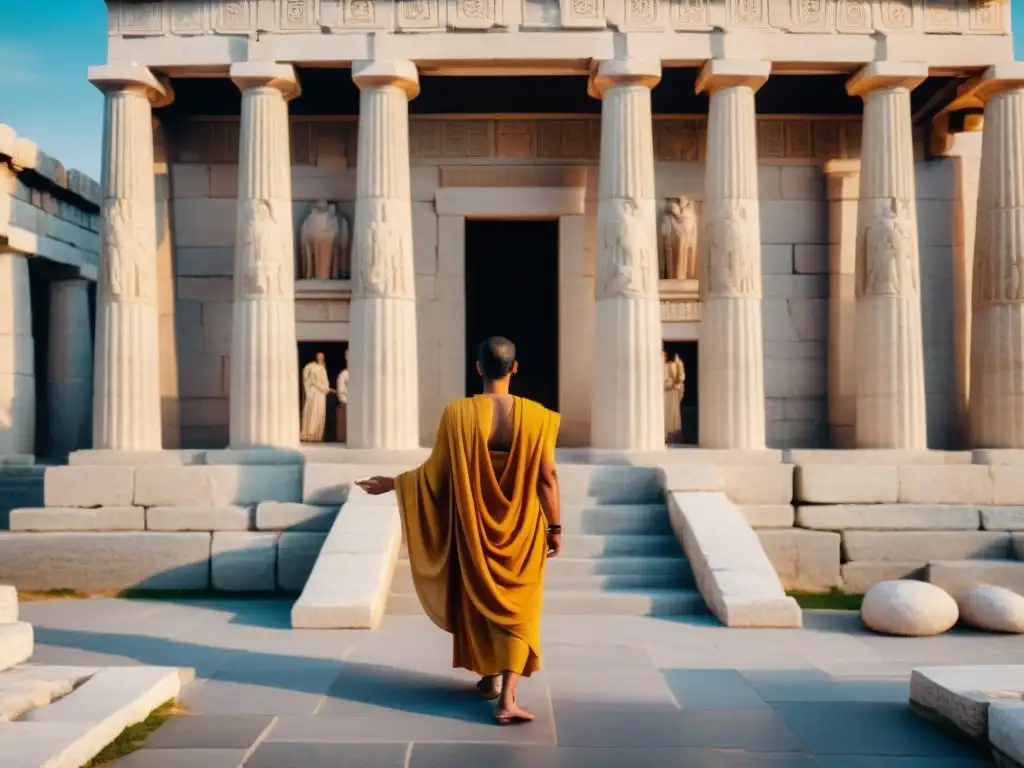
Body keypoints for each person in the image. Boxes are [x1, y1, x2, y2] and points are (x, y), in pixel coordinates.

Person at [357, 336, 562, 726]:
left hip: (475, 526)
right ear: (515, 369)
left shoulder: (458, 414)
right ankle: (508, 698)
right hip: (523, 528)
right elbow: (547, 477)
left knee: (481, 600)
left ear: (479, 368)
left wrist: (395, 483)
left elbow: (436, 474)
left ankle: (490, 677)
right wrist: (554, 527)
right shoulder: (539, 416)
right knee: (520, 609)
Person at [300, 352, 333, 442]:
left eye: (322, 356)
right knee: (313, 412)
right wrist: (315, 384)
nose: (320, 358)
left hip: (321, 394)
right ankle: (309, 434)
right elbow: (308, 379)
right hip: (314, 393)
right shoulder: (312, 367)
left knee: (320, 413)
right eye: (318, 356)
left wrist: (326, 388)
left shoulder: (323, 368)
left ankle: (317, 435)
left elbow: (325, 383)